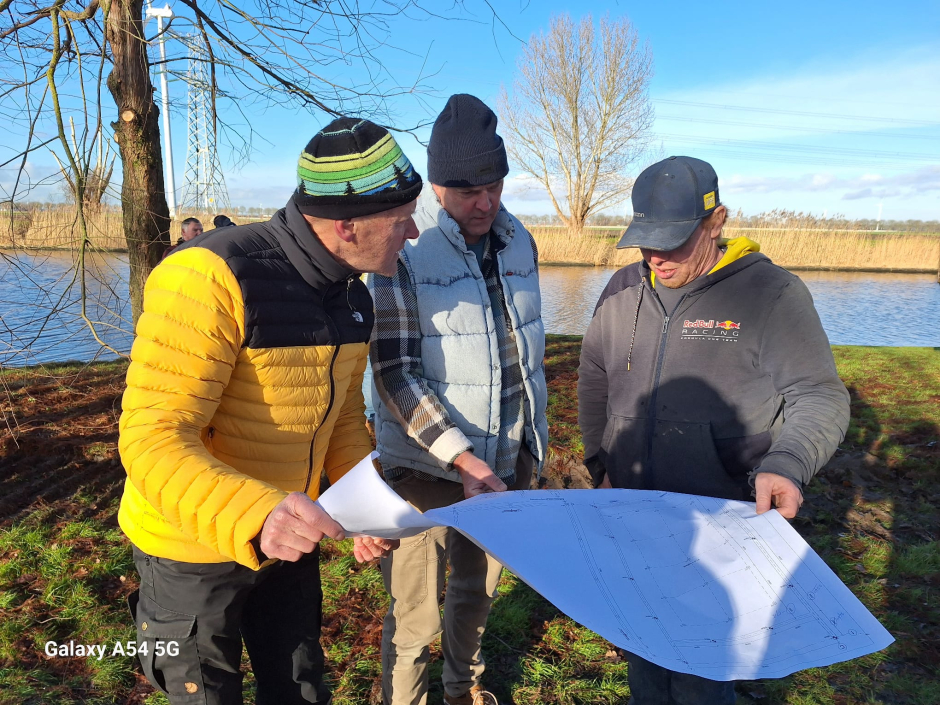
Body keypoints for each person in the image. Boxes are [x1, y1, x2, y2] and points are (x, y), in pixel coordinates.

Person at [118, 117, 424, 705]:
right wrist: (261, 514)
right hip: (191, 551)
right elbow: (151, 438)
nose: (412, 232)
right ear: (346, 225)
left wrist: (367, 505)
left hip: (287, 540)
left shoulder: (353, 296)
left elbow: (336, 423)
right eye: (401, 219)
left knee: (302, 690)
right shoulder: (208, 275)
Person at [577, 156, 851, 705]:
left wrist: (786, 463)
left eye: (674, 241)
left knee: (705, 672)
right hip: (635, 515)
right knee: (647, 657)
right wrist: (600, 464)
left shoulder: (771, 293)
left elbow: (818, 395)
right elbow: (594, 380)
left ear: (716, 220)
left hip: (725, 522)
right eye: (645, 240)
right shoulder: (621, 289)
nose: (657, 256)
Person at [369, 94, 548, 705]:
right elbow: (394, 374)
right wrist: (459, 456)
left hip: (502, 464)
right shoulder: (404, 256)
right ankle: (406, 698)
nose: (485, 202)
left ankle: (463, 689)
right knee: (414, 613)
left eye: (494, 185)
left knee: (476, 594)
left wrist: (530, 446)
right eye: (469, 189)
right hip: (423, 470)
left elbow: (527, 357)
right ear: (438, 186)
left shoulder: (520, 243)